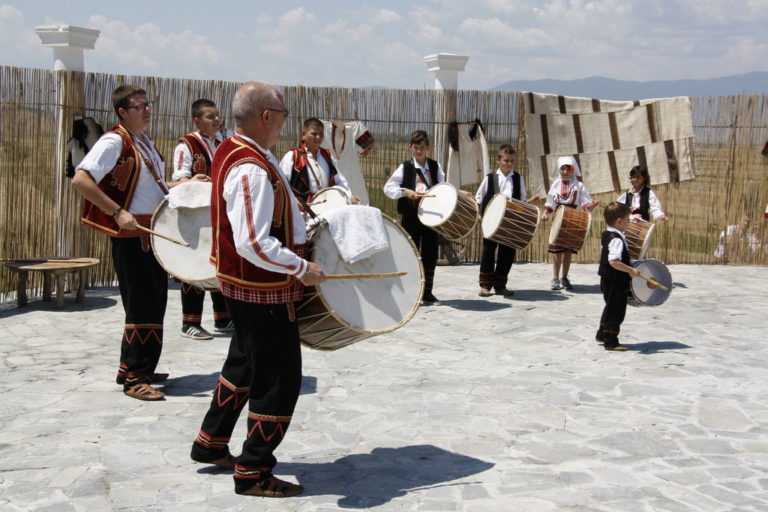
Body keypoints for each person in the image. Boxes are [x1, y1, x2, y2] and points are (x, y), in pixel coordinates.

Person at [190, 81, 325, 498]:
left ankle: (211, 443)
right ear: (266, 116)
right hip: (261, 290)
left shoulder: (234, 149)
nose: (285, 122)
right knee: (279, 379)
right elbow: (253, 240)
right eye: (283, 115)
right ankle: (253, 470)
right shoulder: (249, 166)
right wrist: (302, 267)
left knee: (245, 365)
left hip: (244, 286)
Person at [72, 85, 207, 401]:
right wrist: (117, 212)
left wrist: (183, 183)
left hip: (151, 234)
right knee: (141, 305)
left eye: (148, 104)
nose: (147, 110)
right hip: (132, 237)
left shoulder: (141, 142)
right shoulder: (113, 141)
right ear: (122, 112)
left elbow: (151, 188)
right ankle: (134, 378)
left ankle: (138, 367)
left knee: (154, 302)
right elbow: (81, 179)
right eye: (139, 106)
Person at [170, 98, 232, 340]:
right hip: (196, 217)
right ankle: (190, 322)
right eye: (210, 116)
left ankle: (222, 318)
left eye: (217, 115)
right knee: (194, 266)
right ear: (197, 120)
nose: (216, 120)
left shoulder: (222, 142)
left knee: (219, 263)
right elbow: (180, 180)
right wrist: (193, 182)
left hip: (217, 213)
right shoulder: (186, 145)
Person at [383, 130, 444, 304]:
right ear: (411, 148)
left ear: (428, 148)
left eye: (422, 147)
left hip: (432, 215)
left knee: (430, 253)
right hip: (411, 216)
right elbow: (388, 188)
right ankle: (411, 293)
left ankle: (427, 292)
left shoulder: (435, 166)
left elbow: (443, 187)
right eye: (416, 147)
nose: (419, 151)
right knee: (411, 253)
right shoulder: (405, 167)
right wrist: (404, 191)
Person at [475, 145, 540, 297]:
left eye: (511, 161)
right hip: (490, 222)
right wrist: (478, 215)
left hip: (510, 223)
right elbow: (478, 198)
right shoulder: (489, 178)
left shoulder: (518, 178)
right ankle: (485, 286)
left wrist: (530, 202)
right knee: (488, 252)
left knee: (507, 254)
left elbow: (522, 200)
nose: (508, 164)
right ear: (498, 160)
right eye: (505, 160)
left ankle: (500, 285)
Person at [542, 156, 598, 291]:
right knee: (557, 251)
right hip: (559, 217)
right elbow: (551, 201)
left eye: (568, 169)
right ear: (559, 170)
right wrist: (545, 212)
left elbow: (585, 202)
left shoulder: (579, 185)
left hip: (573, 218)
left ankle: (564, 277)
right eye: (562, 168)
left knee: (567, 250)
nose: (565, 171)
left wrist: (591, 205)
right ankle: (555, 278)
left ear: (573, 170)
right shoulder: (555, 184)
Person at [279, 117, 360, 206]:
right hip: (301, 210)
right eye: (314, 134)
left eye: (321, 134)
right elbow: (281, 184)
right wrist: (292, 200)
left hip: (326, 207)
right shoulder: (293, 156)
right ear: (303, 135)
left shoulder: (327, 156)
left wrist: (348, 196)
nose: (318, 137)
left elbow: (339, 180)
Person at [595, 202, 641, 351]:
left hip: (607, 278)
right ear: (620, 221)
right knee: (616, 311)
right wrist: (630, 270)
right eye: (627, 220)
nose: (628, 223)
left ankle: (602, 334)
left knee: (610, 307)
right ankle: (611, 341)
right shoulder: (616, 239)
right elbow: (614, 261)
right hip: (616, 280)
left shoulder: (607, 233)